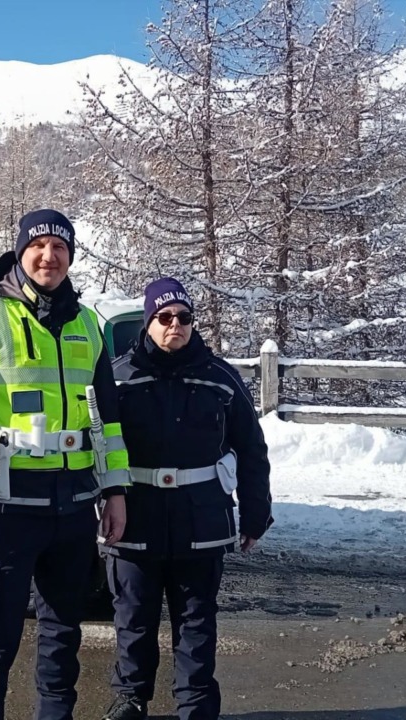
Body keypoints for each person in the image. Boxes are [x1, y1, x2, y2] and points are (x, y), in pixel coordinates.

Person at [0, 208, 131, 720]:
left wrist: (115, 492)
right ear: (20, 252)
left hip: (73, 508)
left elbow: (107, 422)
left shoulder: (89, 324)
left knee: (63, 638)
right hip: (6, 508)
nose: (49, 256)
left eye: (60, 248)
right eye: (38, 246)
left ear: (71, 257)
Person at [100, 277, 273, 720]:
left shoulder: (220, 378)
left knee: (196, 622)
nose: (174, 324)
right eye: (164, 317)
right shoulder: (117, 377)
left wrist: (256, 514)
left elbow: (252, 449)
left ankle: (195, 705)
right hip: (136, 517)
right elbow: (96, 448)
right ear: (148, 322)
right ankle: (130, 699)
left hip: (201, 518)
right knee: (133, 617)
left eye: (183, 317)